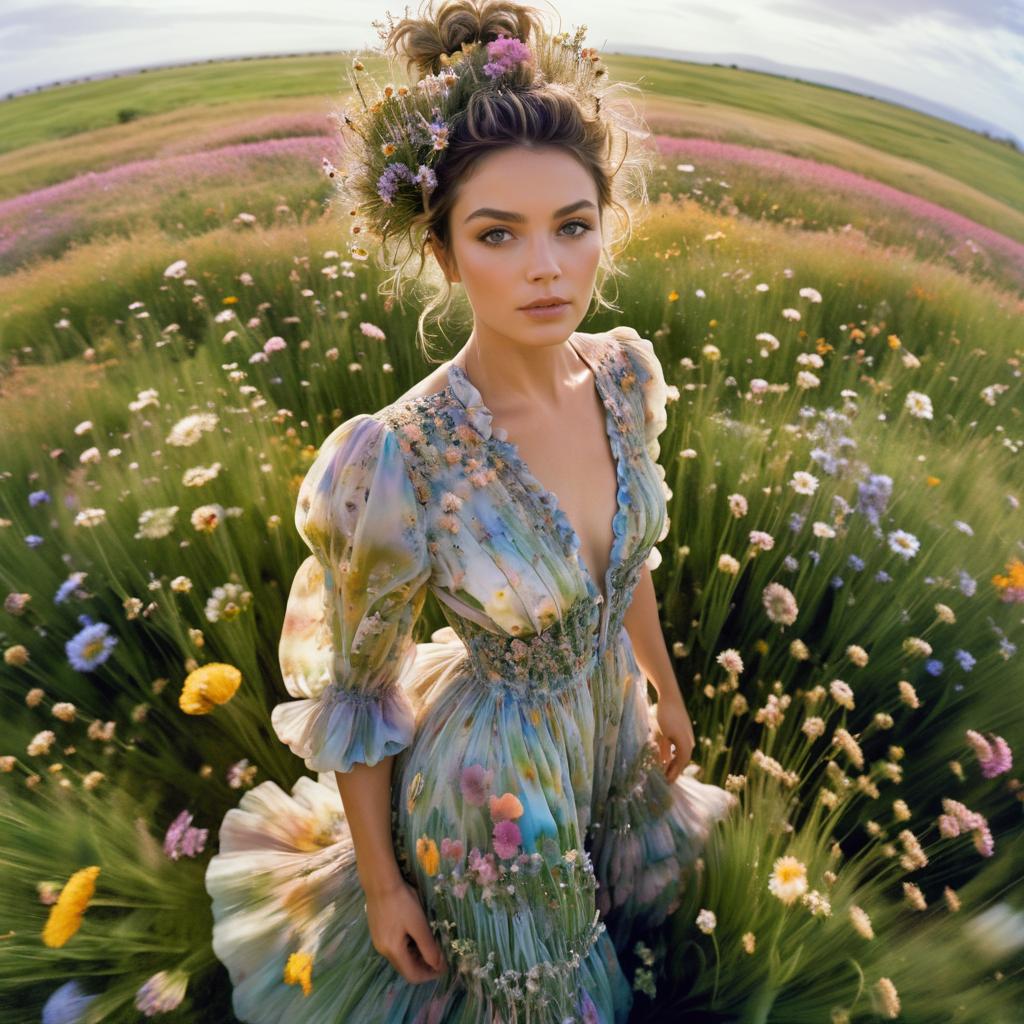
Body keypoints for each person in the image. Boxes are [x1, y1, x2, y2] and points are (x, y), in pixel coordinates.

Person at [204, 2, 737, 1021]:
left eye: (572, 226)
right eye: (499, 233)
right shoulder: (398, 455)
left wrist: (663, 690)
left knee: (634, 922)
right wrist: (382, 882)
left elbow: (628, 569)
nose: (547, 266)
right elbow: (358, 690)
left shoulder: (623, 376)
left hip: (608, 727)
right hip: (492, 794)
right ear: (444, 253)